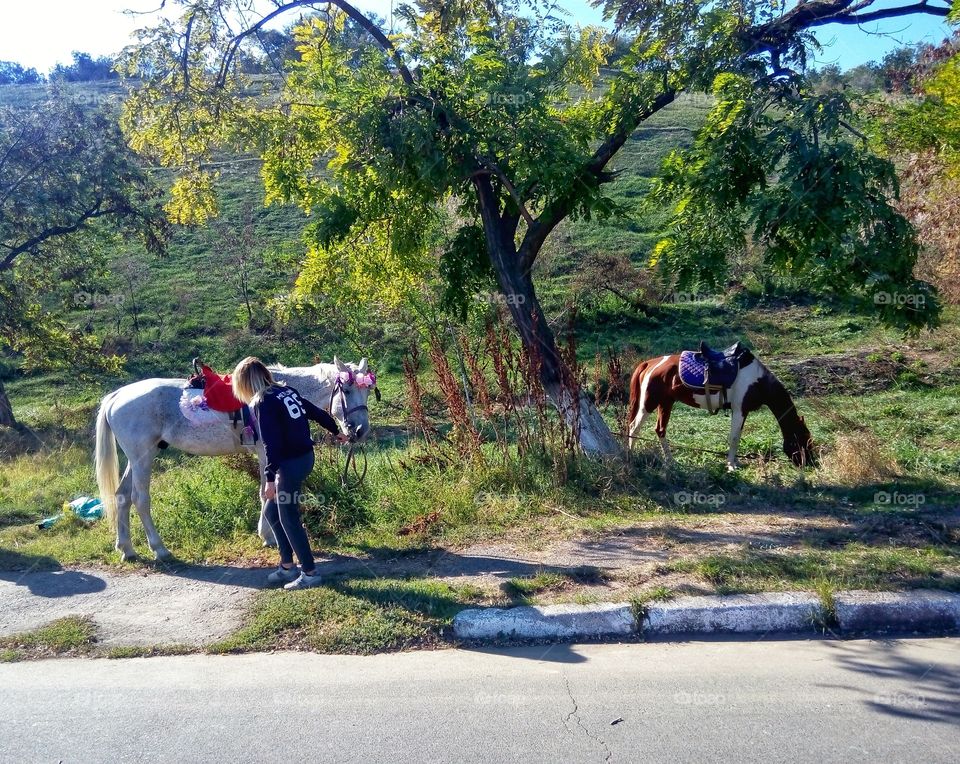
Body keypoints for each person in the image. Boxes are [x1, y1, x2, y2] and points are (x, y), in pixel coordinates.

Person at [232, 356, 345, 590]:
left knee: (288, 517)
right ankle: (286, 566)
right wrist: (336, 430)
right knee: (271, 513)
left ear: (244, 383)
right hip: (304, 458)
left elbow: (271, 444)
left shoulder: (263, 402)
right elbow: (315, 412)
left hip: (290, 464)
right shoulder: (286, 391)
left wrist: (270, 478)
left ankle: (310, 572)